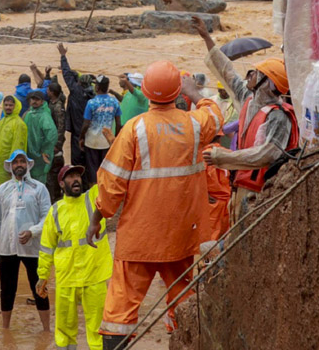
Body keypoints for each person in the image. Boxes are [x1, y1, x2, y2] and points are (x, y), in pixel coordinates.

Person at [87, 61, 222, 344]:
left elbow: (112, 183)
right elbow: (215, 114)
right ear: (177, 93)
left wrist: (98, 216)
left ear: (145, 93)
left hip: (139, 237)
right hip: (181, 235)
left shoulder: (134, 129)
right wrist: (194, 92)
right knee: (183, 302)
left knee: (120, 312)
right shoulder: (194, 125)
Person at [193, 17, 298, 209]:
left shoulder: (278, 116)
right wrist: (207, 38)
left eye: (256, 73)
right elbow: (227, 72)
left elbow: (267, 154)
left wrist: (224, 158)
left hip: (262, 193)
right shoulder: (249, 99)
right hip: (241, 184)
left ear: (267, 83)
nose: (249, 75)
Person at [37, 164, 113, 350]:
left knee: (98, 329)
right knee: (64, 331)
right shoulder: (56, 211)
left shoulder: (94, 197)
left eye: (77, 176)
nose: (76, 180)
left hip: (94, 274)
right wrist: (42, 276)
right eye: (70, 177)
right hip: (67, 277)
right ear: (62, 184)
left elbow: (112, 178)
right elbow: (47, 247)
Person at [0, 149, 51, 332]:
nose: (19, 165)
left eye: (22, 161)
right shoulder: (2, 190)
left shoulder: (39, 188)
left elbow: (47, 217)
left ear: (28, 164)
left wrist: (32, 232)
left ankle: (46, 330)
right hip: (7, 248)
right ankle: (5, 330)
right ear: (10, 166)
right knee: (6, 290)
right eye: (15, 163)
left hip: (32, 248)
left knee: (39, 288)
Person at [80, 76, 121, 187]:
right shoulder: (114, 102)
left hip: (92, 142)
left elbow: (86, 124)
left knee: (92, 172)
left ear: (97, 87)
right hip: (107, 142)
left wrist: (81, 137)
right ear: (107, 87)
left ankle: (94, 197)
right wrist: (115, 139)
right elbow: (118, 123)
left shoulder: (91, 103)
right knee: (106, 170)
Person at [58, 44, 95, 168]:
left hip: (77, 132)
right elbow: (70, 75)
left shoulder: (75, 90)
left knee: (77, 163)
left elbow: (67, 75)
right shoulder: (94, 95)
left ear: (79, 83)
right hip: (91, 133)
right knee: (90, 163)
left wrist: (63, 56)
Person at [0, 96, 28, 188]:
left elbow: (17, 147)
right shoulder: (3, 120)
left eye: (11, 105)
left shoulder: (19, 124)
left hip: (8, 167)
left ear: (15, 106)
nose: (8, 107)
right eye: (6, 105)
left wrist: (13, 166)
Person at [25, 89, 58, 185]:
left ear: (42, 101)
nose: (34, 101)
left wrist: (45, 150)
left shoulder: (44, 116)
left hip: (41, 156)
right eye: (33, 99)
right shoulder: (29, 114)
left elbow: (52, 134)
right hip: (29, 155)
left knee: (39, 184)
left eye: (37, 99)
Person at [45, 79, 67, 202]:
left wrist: (58, 144)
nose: (46, 91)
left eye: (48, 90)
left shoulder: (58, 107)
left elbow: (61, 126)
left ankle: (55, 195)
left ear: (52, 92)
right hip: (51, 140)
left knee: (54, 170)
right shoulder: (53, 102)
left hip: (56, 143)